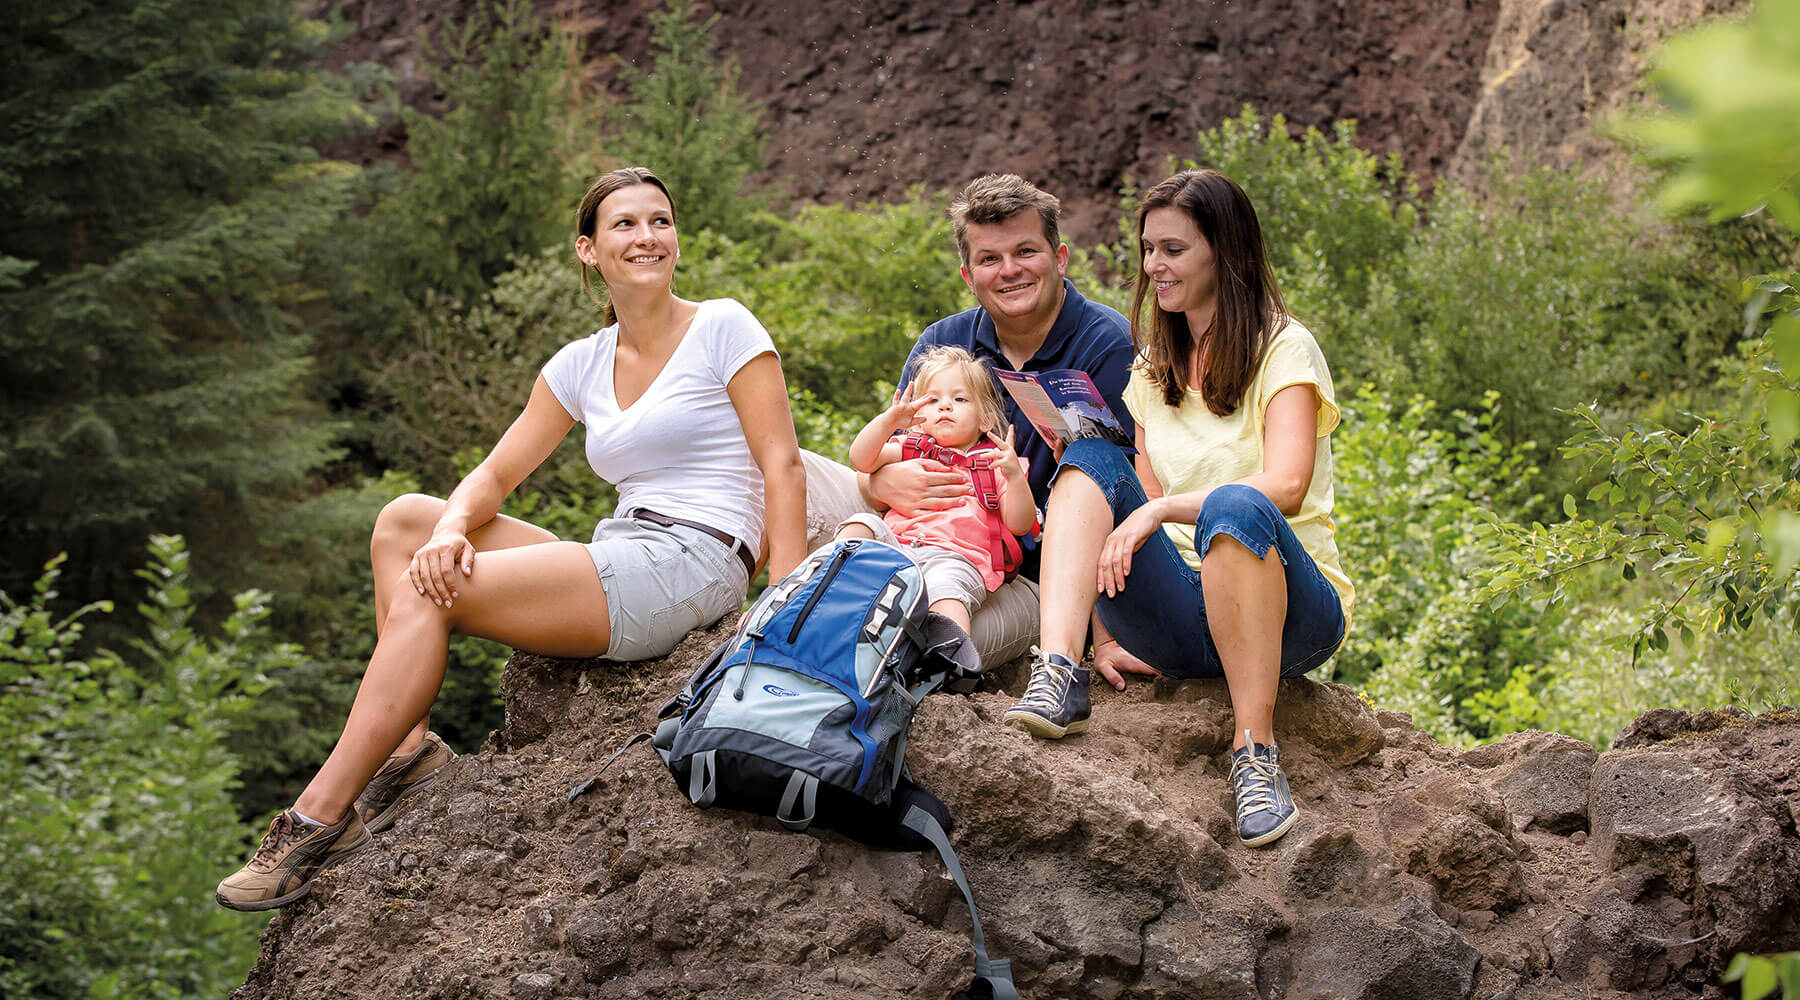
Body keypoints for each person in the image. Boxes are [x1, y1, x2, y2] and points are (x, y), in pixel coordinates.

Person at [216, 167, 807, 910]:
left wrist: (783, 601)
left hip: (694, 560)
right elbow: (492, 476)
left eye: (660, 221)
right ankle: (410, 754)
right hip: (621, 548)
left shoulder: (723, 325)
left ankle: (318, 819)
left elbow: (781, 464)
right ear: (589, 251)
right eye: (625, 224)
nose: (647, 236)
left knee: (438, 594)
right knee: (406, 523)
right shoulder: (581, 363)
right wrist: (451, 527)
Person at [1011, 169, 1354, 849]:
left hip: (1287, 614)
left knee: (1237, 504)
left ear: (1223, 253)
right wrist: (1106, 629)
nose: (1153, 267)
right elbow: (1133, 490)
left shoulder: (1285, 348)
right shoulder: (1152, 366)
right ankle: (1058, 669)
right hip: (1182, 618)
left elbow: (1285, 483)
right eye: (1148, 249)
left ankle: (1254, 755)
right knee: (1088, 457)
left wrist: (1161, 509)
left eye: (1174, 249)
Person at [802, 173, 1142, 674]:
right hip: (909, 533)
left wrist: (1109, 635)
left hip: (1016, 573)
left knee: (924, 641)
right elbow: (886, 456)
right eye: (989, 259)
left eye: (1025, 251)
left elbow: (1119, 490)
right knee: (797, 470)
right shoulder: (945, 340)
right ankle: (781, 614)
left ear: (1060, 257)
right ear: (968, 274)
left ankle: (890, 649)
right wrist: (877, 480)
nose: (1009, 271)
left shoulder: (1105, 342)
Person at [836, 345, 1035, 636]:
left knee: (948, 594)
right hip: (898, 545)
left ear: (985, 419)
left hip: (956, 557)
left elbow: (1018, 524)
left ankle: (948, 657)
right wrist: (889, 421)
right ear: (919, 413)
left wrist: (1015, 478)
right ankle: (823, 585)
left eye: (960, 399)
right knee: (861, 525)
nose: (945, 406)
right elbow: (861, 460)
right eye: (933, 400)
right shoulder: (913, 448)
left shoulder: (997, 463)